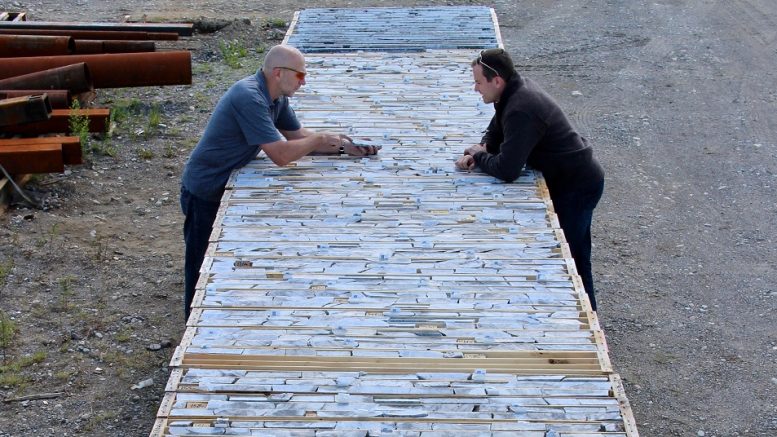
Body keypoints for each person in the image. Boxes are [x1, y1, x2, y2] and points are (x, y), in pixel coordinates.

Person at [180, 44, 378, 321]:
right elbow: (281, 155)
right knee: (200, 265)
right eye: (299, 75)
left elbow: (298, 137)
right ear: (278, 73)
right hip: (204, 189)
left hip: (223, 182)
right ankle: (191, 323)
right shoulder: (248, 96)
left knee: (216, 264)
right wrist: (320, 139)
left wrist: (343, 147)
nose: (304, 81)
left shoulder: (276, 98)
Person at [456, 48, 605, 311]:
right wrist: (484, 148)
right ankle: (581, 312)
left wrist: (480, 158)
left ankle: (585, 320)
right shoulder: (511, 92)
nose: (475, 88)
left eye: (478, 82)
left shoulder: (521, 107)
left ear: (496, 80)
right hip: (569, 178)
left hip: (577, 185)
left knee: (570, 259)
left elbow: (508, 170)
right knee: (572, 255)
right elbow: (497, 129)